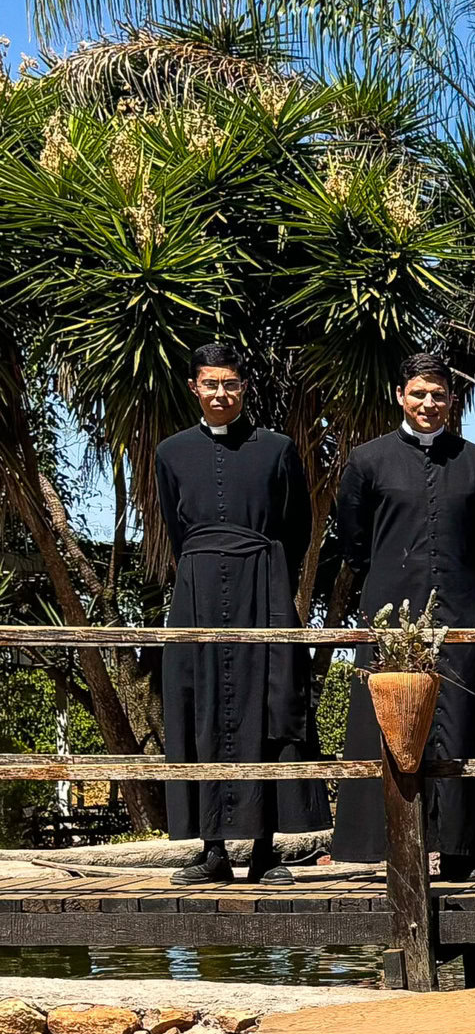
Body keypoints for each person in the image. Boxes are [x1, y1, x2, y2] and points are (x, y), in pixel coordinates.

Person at [155, 342, 327, 885]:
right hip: (198, 588)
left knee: (271, 707)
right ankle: (212, 853)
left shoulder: (275, 448)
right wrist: (204, 567)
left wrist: (269, 573)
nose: (221, 394)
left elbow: (296, 525)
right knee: (199, 708)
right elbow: (174, 526)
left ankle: (265, 851)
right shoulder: (170, 452)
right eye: (211, 384)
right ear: (195, 388)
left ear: (244, 387)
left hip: (263, 582)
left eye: (231, 384)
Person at [331, 353, 475, 877]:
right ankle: (387, 848)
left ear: (452, 401)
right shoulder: (367, 460)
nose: (429, 404)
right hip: (389, 610)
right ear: (400, 396)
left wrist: (459, 585)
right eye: (419, 394)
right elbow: (354, 541)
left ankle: (462, 850)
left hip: (457, 609)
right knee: (387, 723)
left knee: (460, 724)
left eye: (439, 395)